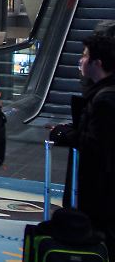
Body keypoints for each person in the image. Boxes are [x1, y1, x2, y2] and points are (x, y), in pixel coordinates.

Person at [50, 34, 115, 248]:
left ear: (98, 63)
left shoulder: (104, 99)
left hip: (100, 191)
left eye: (85, 56)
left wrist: (65, 134)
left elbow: (95, 143)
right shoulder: (100, 94)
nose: (81, 60)